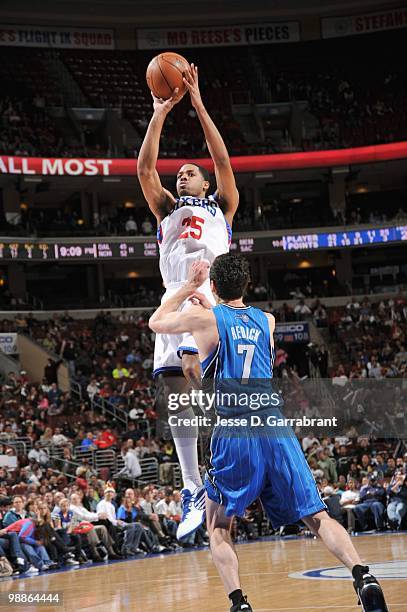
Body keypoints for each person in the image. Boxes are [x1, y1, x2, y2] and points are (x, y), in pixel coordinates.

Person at [149, 255, 389, 612]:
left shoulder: (205, 318)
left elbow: (156, 322)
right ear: (246, 286)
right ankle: (363, 575)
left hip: (233, 430)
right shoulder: (269, 321)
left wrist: (188, 288)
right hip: (274, 425)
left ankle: (239, 603)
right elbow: (238, 327)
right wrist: (212, 303)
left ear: (212, 286)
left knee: (218, 525)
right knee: (317, 516)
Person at [137, 62, 239, 539]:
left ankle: (222, 471)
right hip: (175, 299)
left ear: (204, 186)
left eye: (191, 173)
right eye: (180, 173)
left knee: (207, 391)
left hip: (210, 301)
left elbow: (221, 161)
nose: (184, 175)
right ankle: (193, 488)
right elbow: (144, 167)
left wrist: (197, 104)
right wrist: (159, 113)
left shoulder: (222, 204)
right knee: (180, 399)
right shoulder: (165, 209)